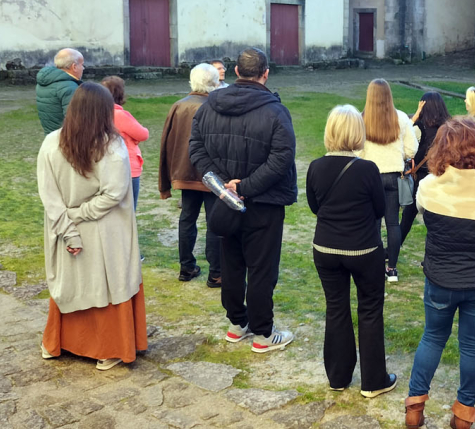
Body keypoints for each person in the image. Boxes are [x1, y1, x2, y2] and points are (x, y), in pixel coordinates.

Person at [189, 48, 298, 353]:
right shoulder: (212, 107)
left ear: (237, 72)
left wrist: (239, 186)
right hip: (250, 202)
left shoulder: (272, 111)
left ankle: (239, 324)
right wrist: (229, 185)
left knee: (234, 261)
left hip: (245, 197)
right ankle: (260, 332)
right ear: (265, 74)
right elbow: (196, 146)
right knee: (257, 268)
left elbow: (281, 157)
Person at [405, 117, 475, 429]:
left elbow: (422, 210)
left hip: (440, 277)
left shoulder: (428, 187)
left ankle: (414, 406)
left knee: (433, 337)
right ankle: (464, 413)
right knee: (473, 344)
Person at [36, 83, 146, 371]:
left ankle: (58, 343)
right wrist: (77, 218)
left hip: (68, 226)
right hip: (103, 230)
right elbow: (115, 193)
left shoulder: (51, 142)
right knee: (105, 284)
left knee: (80, 282)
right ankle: (108, 347)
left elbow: (50, 198)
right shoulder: (112, 146)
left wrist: (68, 222)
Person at [306, 105, 397, 398]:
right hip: (363, 248)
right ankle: (373, 380)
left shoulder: (316, 167)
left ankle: (338, 376)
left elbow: (315, 207)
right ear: (358, 133)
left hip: (326, 248)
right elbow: (380, 209)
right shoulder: (367, 169)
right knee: (370, 310)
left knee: (336, 308)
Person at [158, 64, 223, 286]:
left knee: (187, 218)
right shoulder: (216, 107)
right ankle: (216, 273)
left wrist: (167, 179)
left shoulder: (179, 106)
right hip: (211, 174)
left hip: (185, 172)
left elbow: (166, 144)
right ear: (214, 83)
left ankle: (186, 267)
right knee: (214, 222)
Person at [357, 79, 419, 283]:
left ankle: (373, 266)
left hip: (369, 176)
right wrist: (399, 156)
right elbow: (412, 149)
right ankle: (392, 269)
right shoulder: (401, 118)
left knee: (373, 222)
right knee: (393, 222)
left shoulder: (361, 119)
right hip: (394, 176)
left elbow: (357, 150)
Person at [399, 92, 450, 244]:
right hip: (442, 176)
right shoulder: (448, 128)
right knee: (437, 218)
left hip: (421, 178)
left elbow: (402, 141)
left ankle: (393, 249)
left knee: (408, 216)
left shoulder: (419, 127)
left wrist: (415, 116)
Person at [100, 76, 149, 211]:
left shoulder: (97, 114)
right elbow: (143, 134)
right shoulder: (120, 115)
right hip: (126, 167)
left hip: (104, 166)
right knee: (128, 209)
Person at [36, 48, 84, 134]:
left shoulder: (44, 82)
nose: (83, 68)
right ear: (74, 67)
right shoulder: (69, 87)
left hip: (51, 135)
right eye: (82, 65)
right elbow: (75, 121)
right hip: (66, 139)